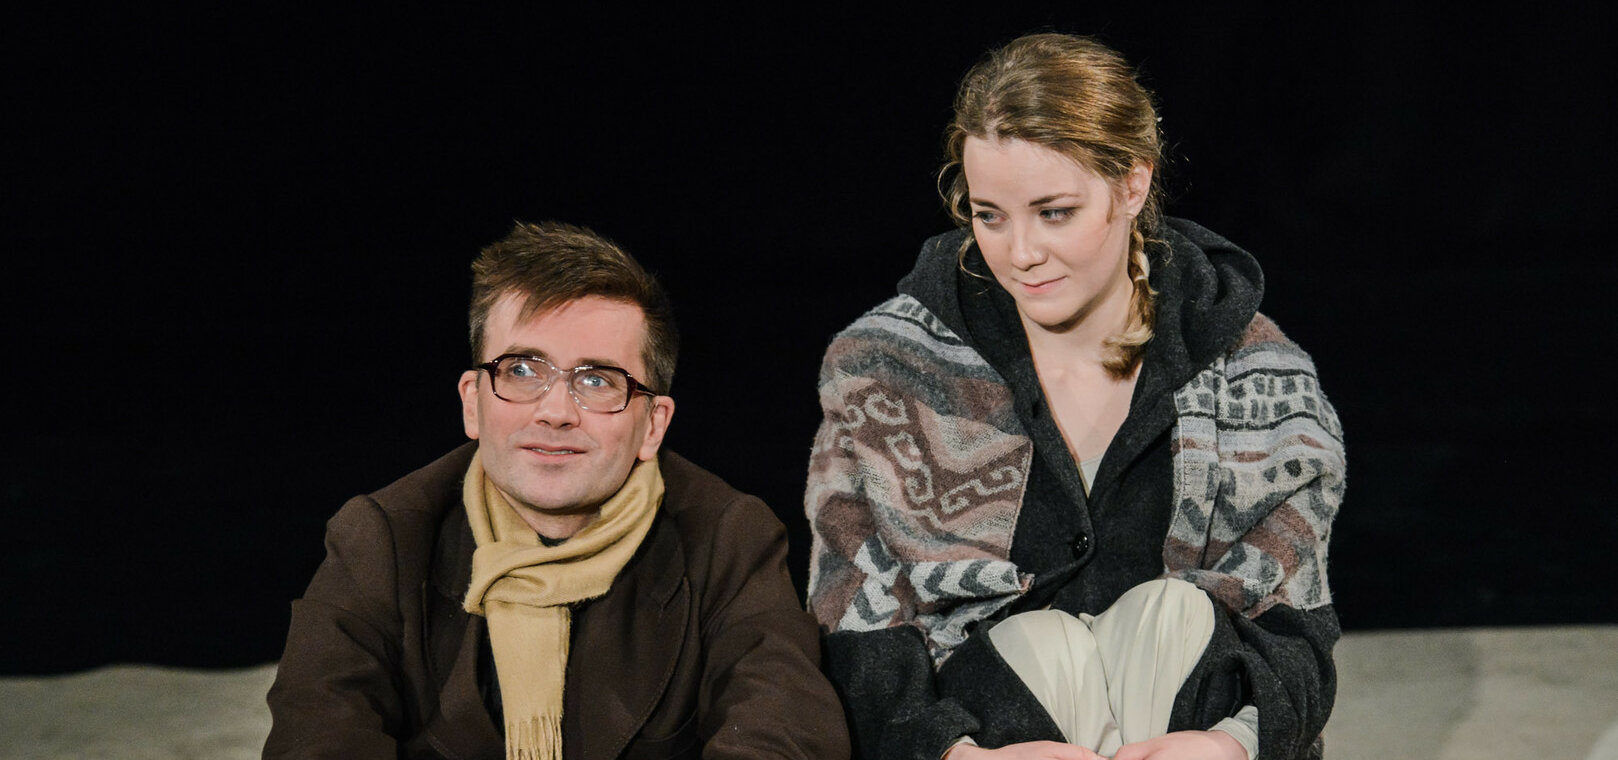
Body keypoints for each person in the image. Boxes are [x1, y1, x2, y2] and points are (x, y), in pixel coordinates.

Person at [805, 34, 1345, 760]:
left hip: (1196, 722)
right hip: (988, 735)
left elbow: (1294, 622)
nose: (1021, 253)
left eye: (1053, 212)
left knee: (1174, 615)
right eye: (990, 215)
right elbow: (856, 618)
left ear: (1132, 185)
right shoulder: (886, 370)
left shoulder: (1256, 374)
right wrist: (956, 754)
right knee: (1038, 644)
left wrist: (1232, 744)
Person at [266, 222, 849, 760]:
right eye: (522, 371)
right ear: (473, 402)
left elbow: (787, 734)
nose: (555, 412)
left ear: (653, 425)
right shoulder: (381, 537)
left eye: (596, 380)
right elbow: (317, 738)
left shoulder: (728, 538)